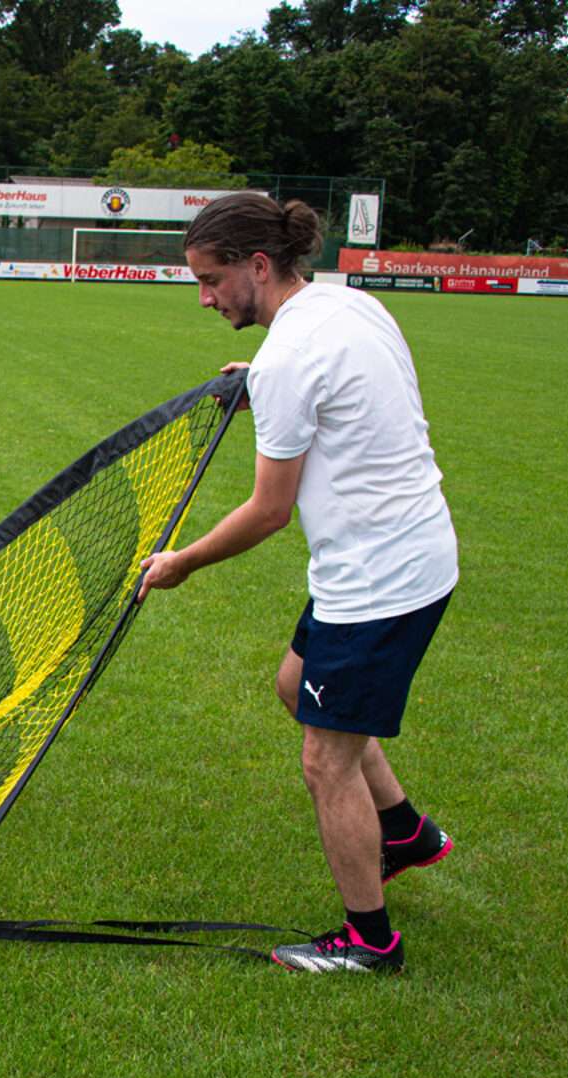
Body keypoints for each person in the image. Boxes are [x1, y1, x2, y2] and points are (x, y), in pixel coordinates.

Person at [138, 194, 457, 974]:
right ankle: (406, 833)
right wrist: (264, 378)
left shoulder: (289, 359)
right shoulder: (348, 306)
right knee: (296, 684)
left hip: (378, 580)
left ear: (257, 265)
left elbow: (269, 511)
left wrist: (180, 561)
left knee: (326, 760)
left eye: (212, 280)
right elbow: (329, 388)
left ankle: (369, 941)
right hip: (410, 555)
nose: (205, 299)